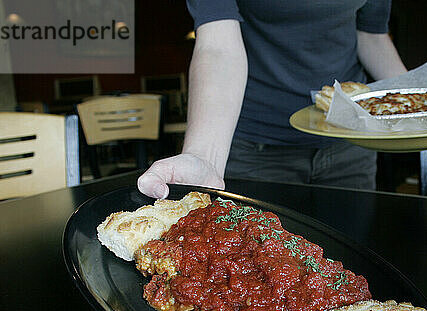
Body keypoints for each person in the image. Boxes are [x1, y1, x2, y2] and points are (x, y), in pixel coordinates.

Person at [138, 0, 407, 199]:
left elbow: (372, 36)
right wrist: (204, 157)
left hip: (349, 141)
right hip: (256, 149)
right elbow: (219, 46)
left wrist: (417, 105)